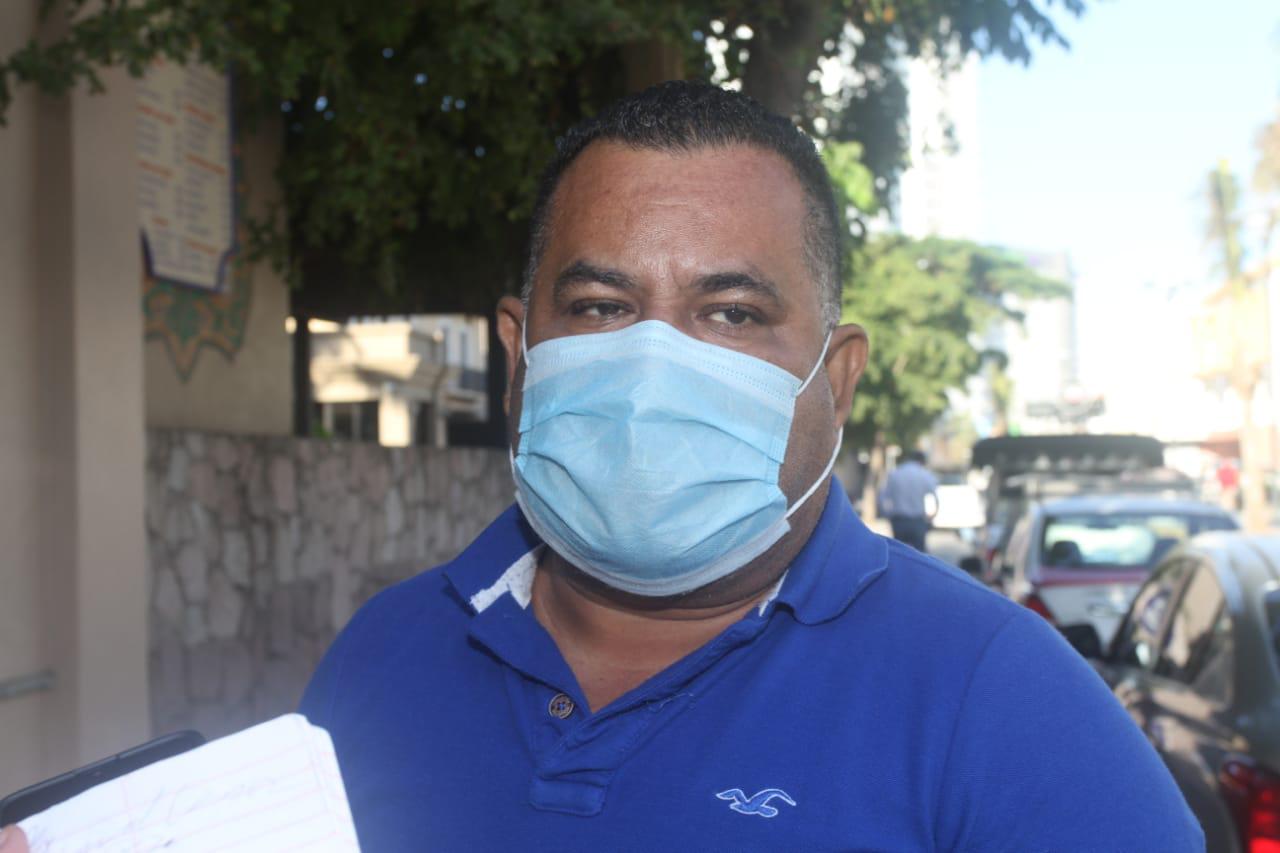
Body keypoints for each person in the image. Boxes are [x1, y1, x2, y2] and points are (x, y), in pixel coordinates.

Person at [1, 82, 1201, 852]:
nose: (650, 364)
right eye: (599, 302)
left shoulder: (1003, 710)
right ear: (520, 347)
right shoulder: (382, 659)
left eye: (729, 314)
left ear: (832, 380)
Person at [877, 449, 939, 552]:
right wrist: (932, 516)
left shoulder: (895, 473)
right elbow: (935, 498)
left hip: (899, 520)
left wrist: (887, 514)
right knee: (920, 556)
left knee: (900, 554)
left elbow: (882, 496)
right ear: (922, 461)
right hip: (917, 521)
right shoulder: (924, 474)